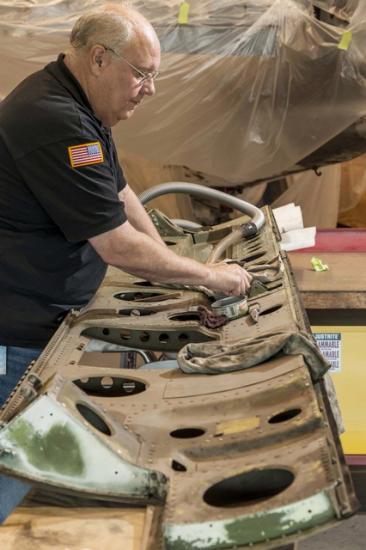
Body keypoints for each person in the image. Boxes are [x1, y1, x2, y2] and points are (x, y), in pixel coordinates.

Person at [0, 3, 252, 407]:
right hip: (19, 334)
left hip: (50, 315)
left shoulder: (81, 106)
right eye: (142, 74)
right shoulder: (56, 120)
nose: (150, 89)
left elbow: (119, 191)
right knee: (24, 455)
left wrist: (169, 267)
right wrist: (208, 276)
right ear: (99, 58)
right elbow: (116, 244)